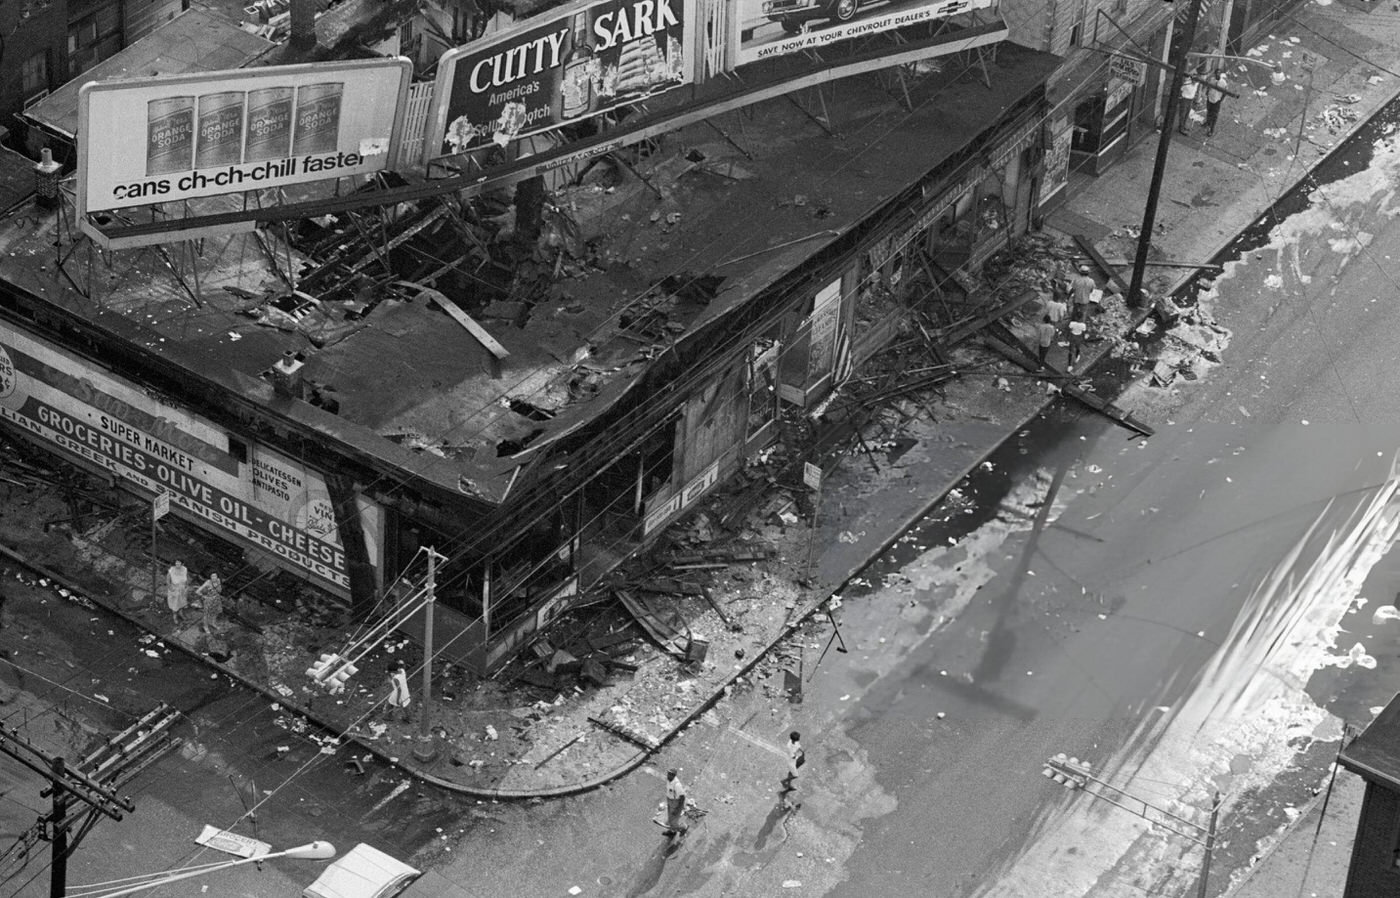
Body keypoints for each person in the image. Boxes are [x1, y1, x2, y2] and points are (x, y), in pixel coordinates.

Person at [664, 769, 689, 841]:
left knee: (673, 822)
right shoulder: (669, 780)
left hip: (676, 803)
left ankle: (683, 828)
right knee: (670, 819)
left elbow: (682, 797)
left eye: (671, 774)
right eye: (668, 773)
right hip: (670, 801)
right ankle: (672, 832)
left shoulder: (677, 785)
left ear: (674, 775)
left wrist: (678, 809)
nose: (668, 775)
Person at [1205, 71, 1227, 136]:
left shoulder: (1223, 83)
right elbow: (1209, 87)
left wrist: (1221, 100)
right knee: (1209, 111)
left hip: (1216, 100)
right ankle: (1207, 123)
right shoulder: (1212, 79)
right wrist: (1207, 92)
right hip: (1210, 98)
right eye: (1216, 73)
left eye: (1219, 73)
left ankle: (1211, 130)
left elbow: (1225, 92)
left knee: (1214, 115)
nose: (1217, 75)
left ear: (1220, 74)